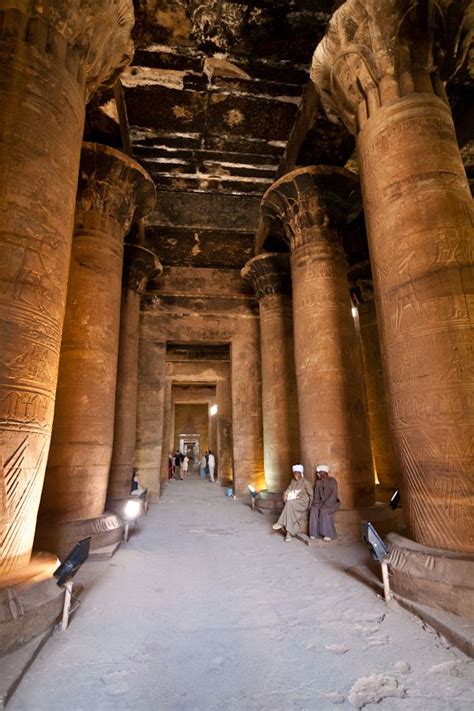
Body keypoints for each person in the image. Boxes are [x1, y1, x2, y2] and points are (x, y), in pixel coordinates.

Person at [272, 465, 313, 541]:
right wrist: (285, 494)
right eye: (295, 473)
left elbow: (311, 495)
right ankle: (288, 534)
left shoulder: (306, 482)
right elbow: (288, 489)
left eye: (298, 473)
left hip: (303, 503)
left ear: (301, 473)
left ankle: (281, 522)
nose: (296, 475)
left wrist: (310, 506)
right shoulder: (293, 481)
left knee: (289, 503)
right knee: (289, 505)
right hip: (294, 501)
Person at [309, 464, 340, 541]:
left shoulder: (332, 480)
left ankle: (328, 534)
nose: (318, 474)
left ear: (324, 473)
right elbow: (316, 495)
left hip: (333, 503)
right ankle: (314, 534)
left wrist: (326, 505)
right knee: (313, 509)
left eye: (319, 473)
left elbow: (334, 495)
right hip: (321, 503)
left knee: (324, 511)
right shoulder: (318, 482)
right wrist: (315, 503)